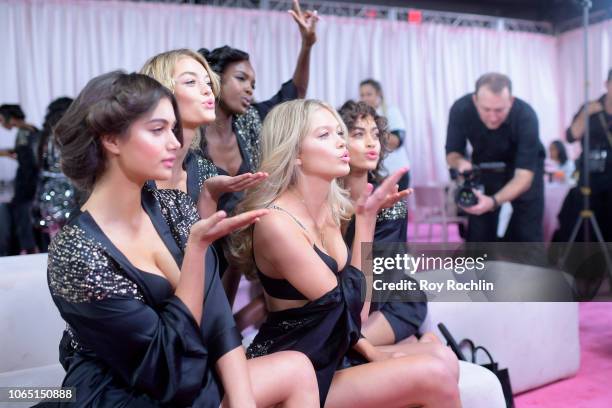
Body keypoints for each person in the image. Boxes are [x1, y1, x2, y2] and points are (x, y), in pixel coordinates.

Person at [47, 71, 319, 407]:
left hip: (204, 364)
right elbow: (166, 366)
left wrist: (243, 399)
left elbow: (219, 317)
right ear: (112, 140)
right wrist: (196, 250)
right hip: (127, 390)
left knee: (301, 367)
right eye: (158, 130)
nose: (176, 143)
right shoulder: (75, 252)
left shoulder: (172, 205)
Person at [229, 99, 460, 407]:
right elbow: (344, 309)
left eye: (340, 132)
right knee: (435, 373)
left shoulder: (329, 207)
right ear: (295, 153)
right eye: (325, 135)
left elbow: (358, 314)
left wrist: (369, 349)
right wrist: (365, 221)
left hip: (331, 351)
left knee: (444, 356)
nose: (341, 142)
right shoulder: (275, 223)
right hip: (299, 367)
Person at [198, 0, 319, 214]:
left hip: (245, 239)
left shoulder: (251, 119)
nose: (249, 89)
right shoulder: (190, 132)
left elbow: (294, 93)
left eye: (252, 84)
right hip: (203, 239)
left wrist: (307, 46)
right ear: (215, 78)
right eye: (241, 78)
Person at [339, 100, 427, 346]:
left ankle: (422, 342)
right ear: (338, 142)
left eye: (375, 135)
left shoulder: (390, 202)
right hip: (345, 305)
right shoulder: (324, 201)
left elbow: (381, 284)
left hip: (393, 301)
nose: (371, 143)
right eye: (358, 134)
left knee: (340, 346)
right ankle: (419, 344)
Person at [446, 72, 545, 242]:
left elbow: (524, 177)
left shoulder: (526, 116)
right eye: (486, 110)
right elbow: (452, 154)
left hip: (522, 170)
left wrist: (493, 201)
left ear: (511, 101)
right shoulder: (461, 109)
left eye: (499, 110)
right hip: (484, 168)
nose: (492, 118)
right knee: (479, 237)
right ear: (475, 101)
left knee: (526, 236)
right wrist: (461, 163)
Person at [554, 68, 612, 242]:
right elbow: (571, 136)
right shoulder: (590, 107)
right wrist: (585, 114)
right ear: (607, 84)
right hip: (589, 178)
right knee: (581, 223)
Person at [34, 97, 77, 249]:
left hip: (49, 190)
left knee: (54, 231)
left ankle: (56, 260)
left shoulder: (44, 139)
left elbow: (40, 166)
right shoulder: (65, 139)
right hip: (67, 189)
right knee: (69, 232)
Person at [0, 104, 39, 254]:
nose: (2, 124)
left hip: (27, 182)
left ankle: (28, 248)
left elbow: (28, 162)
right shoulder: (31, 130)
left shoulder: (25, 133)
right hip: (30, 181)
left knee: (23, 214)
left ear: (11, 118)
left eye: (2, 119)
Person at [359, 78, 409, 190]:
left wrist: (372, 132)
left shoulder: (391, 111)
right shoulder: (361, 116)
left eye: (369, 94)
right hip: (376, 175)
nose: (364, 98)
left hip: (396, 173)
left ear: (379, 94)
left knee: (397, 207)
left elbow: (397, 141)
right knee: (377, 207)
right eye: (362, 95)